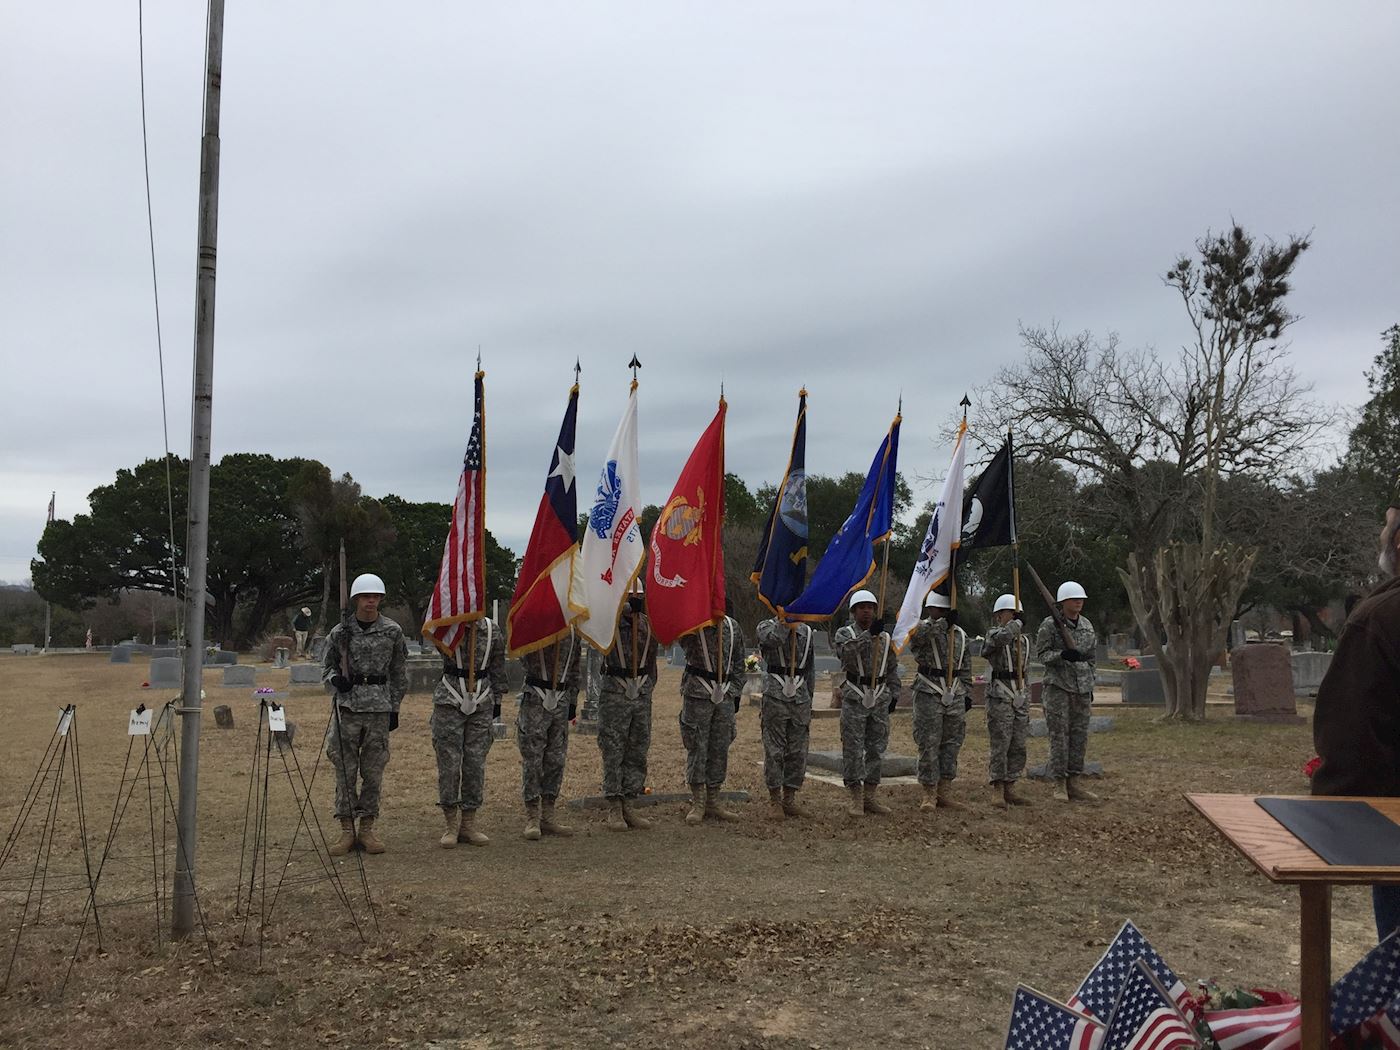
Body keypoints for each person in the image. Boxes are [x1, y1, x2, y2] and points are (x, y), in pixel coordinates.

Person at [1312, 503, 1400, 940]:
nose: (1382, 535)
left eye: (1388, 525)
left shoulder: (1381, 618)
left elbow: (1354, 734)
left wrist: (1331, 811)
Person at [322, 573, 408, 855]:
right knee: (345, 772)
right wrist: (337, 681)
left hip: (379, 710)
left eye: (376, 596)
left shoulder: (393, 631)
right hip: (348, 709)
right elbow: (327, 668)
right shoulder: (340, 632)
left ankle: (367, 829)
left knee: (373, 773)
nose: (371, 601)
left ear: (381, 599)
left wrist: (395, 708)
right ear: (356, 599)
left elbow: (398, 673)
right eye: (365, 596)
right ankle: (347, 830)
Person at [430, 615, 506, 848]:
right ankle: (451, 824)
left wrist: (498, 702)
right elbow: (433, 633)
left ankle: (469, 823)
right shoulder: (448, 624)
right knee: (449, 763)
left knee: (475, 763)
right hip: (450, 698)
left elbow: (498, 666)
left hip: (482, 700)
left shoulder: (492, 630)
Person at [833, 589, 901, 818]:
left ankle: (870, 794)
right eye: (862, 607)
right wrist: (867, 636)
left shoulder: (885, 637)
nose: (867, 611)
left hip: (880, 696)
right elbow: (846, 655)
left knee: (876, 747)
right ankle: (855, 796)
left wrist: (894, 693)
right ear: (853, 611)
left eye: (870, 607)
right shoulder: (845, 633)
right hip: (854, 695)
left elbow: (891, 666)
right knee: (852, 747)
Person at [597, 582, 659, 831]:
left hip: (641, 691)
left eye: (638, 597)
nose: (635, 600)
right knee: (613, 749)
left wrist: (647, 686)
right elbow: (597, 626)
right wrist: (620, 611)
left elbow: (652, 657)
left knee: (637, 748)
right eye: (630, 597)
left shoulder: (647, 624)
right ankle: (614, 804)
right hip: (615, 690)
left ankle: (630, 802)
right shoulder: (609, 624)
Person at [678, 606, 746, 825]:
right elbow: (682, 641)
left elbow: (738, 663)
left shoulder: (733, 627)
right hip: (698, 693)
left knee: (720, 746)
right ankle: (698, 800)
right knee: (697, 745)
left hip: (724, 695)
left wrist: (734, 693)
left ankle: (714, 799)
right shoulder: (693, 624)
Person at [906, 591, 972, 811]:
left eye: (946, 611)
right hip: (929, 690)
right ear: (930, 610)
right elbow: (916, 640)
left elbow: (965, 665)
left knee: (952, 743)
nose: (943, 614)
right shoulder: (923, 627)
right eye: (939, 610)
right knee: (928, 743)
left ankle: (944, 790)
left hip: (954, 691)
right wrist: (942, 624)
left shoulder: (961, 635)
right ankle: (928, 792)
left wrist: (968, 692)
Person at [1034, 580, 1098, 804]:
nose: (1079, 602)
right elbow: (1041, 655)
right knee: (1059, 737)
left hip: (1082, 689)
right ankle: (1059, 783)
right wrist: (1060, 656)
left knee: (1079, 737)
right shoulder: (1050, 625)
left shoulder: (1087, 625)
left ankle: (1074, 782)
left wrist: (1091, 683)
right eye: (1074, 599)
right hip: (1059, 688)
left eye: (1081, 599)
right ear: (1063, 602)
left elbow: (1091, 658)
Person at [516, 626, 582, 841]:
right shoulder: (537, 625)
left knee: (556, 759)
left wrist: (572, 701)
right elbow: (522, 655)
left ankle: (549, 814)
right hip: (536, 697)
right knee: (533, 759)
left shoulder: (573, 632)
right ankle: (532, 815)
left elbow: (574, 668)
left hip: (561, 699)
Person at [755, 613, 816, 820]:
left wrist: (810, 697)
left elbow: (810, 668)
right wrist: (786, 624)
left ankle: (789, 798)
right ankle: (775, 799)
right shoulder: (766, 626)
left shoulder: (806, 632)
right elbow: (773, 640)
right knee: (774, 750)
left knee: (798, 750)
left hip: (800, 698)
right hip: (775, 695)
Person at [983, 593, 1032, 808]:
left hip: (1019, 693)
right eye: (1009, 614)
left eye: (1016, 614)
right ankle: (997, 787)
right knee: (1000, 742)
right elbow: (1000, 639)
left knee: (1018, 743)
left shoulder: (1024, 641)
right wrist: (1016, 623)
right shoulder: (993, 635)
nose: (1013, 618)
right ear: (998, 617)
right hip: (1000, 694)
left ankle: (1011, 784)